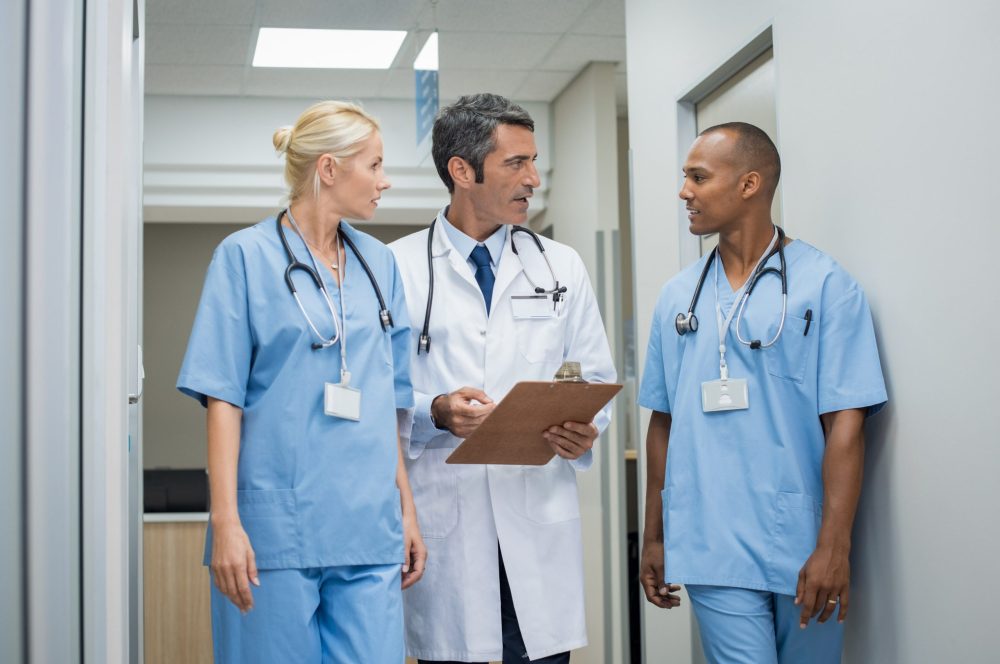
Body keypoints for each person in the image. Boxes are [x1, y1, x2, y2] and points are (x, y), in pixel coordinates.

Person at [176, 100, 426, 664]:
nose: (385, 182)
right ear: (330, 169)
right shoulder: (243, 257)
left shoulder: (378, 264)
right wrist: (225, 523)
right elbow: (222, 398)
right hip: (273, 531)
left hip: (367, 523)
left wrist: (405, 510)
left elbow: (389, 402)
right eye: (376, 165)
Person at [637, 122, 887, 663]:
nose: (685, 192)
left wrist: (834, 545)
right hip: (710, 538)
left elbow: (846, 423)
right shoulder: (678, 297)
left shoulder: (826, 286)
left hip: (802, 538)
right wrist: (654, 534)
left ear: (749, 184)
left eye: (698, 178)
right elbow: (663, 420)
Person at [390, 93, 616, 664]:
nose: (534, 179)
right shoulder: (395, 267)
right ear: (462, 171)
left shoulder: (559, 266)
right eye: (516, 163)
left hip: (533, 513)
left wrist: (585, 429)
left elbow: (594, 377)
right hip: (447, 513)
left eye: (534, 161)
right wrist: (436, 410)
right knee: (453, 650)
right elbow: (377, 391)